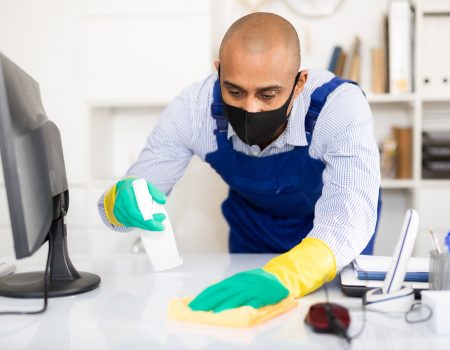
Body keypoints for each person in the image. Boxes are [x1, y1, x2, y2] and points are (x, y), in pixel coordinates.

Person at [98, 12, 380, 312]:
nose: (250, 108)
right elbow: (129, 201)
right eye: (234, 91)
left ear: (299, 84)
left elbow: (351, 214)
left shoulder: (338, 107)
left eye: (268, 94)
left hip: (330, 246)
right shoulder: (194, 111)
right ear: (218, 72)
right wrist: (119, 203)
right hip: (252, 236)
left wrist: (290, 274)